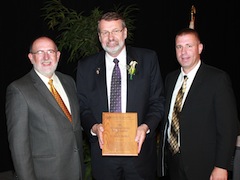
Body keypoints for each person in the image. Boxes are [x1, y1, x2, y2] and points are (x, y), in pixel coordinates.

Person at [76, 12, 165, 180]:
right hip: (103, 156)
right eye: (105, 32)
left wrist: (145, 126)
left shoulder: (147, 59)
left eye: (115, 31)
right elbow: (82, 106)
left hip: (140, 153)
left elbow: (158, 101)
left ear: (125, 32)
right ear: (99, 36)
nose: (110, 37)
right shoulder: (86, 67)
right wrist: (94, 127)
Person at [157, 28, 240, 180]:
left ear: (200, 48)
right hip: (174, 164)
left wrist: (221, 166)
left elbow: (229, 127)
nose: (184, 52)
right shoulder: (170, 79)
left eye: (189, 46)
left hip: (204, 166)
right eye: (179, 47)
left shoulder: (217, 79)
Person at [5, 36, 84, 180]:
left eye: (50, 51)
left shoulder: (69, 81)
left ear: (58, 55)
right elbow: (19, 147)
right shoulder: (19, 90)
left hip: (76, 170)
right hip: (46, 174)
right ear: (31, 57)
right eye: (40, 52)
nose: (46, 57)